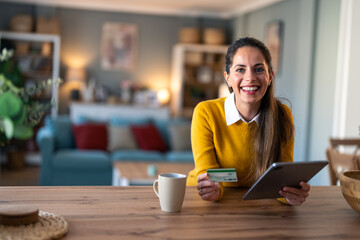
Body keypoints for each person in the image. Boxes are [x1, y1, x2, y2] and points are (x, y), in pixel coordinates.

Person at [186, 37, 310, 206]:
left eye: (259, 69)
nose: (250, 78)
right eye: (240, 70)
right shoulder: (206, 112)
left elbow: (281, 181)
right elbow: (209, 174)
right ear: (228, 78)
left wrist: (290, 195)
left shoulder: (282, 115)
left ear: (270, 76)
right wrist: (213, 189)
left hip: (258, 203)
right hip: (207, 202)